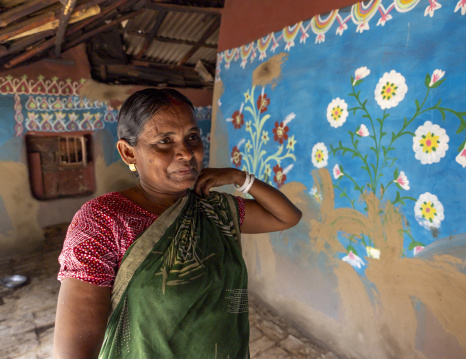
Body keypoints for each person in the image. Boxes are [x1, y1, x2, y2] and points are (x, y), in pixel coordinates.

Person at [53, 88, 302, 359]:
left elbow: (287, 217)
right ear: (128, 152)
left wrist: (239, 177)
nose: (186, 152)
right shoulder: (104, 219)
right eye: (164, 141)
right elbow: (75, 349)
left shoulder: (213, 207)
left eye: (192, 137)